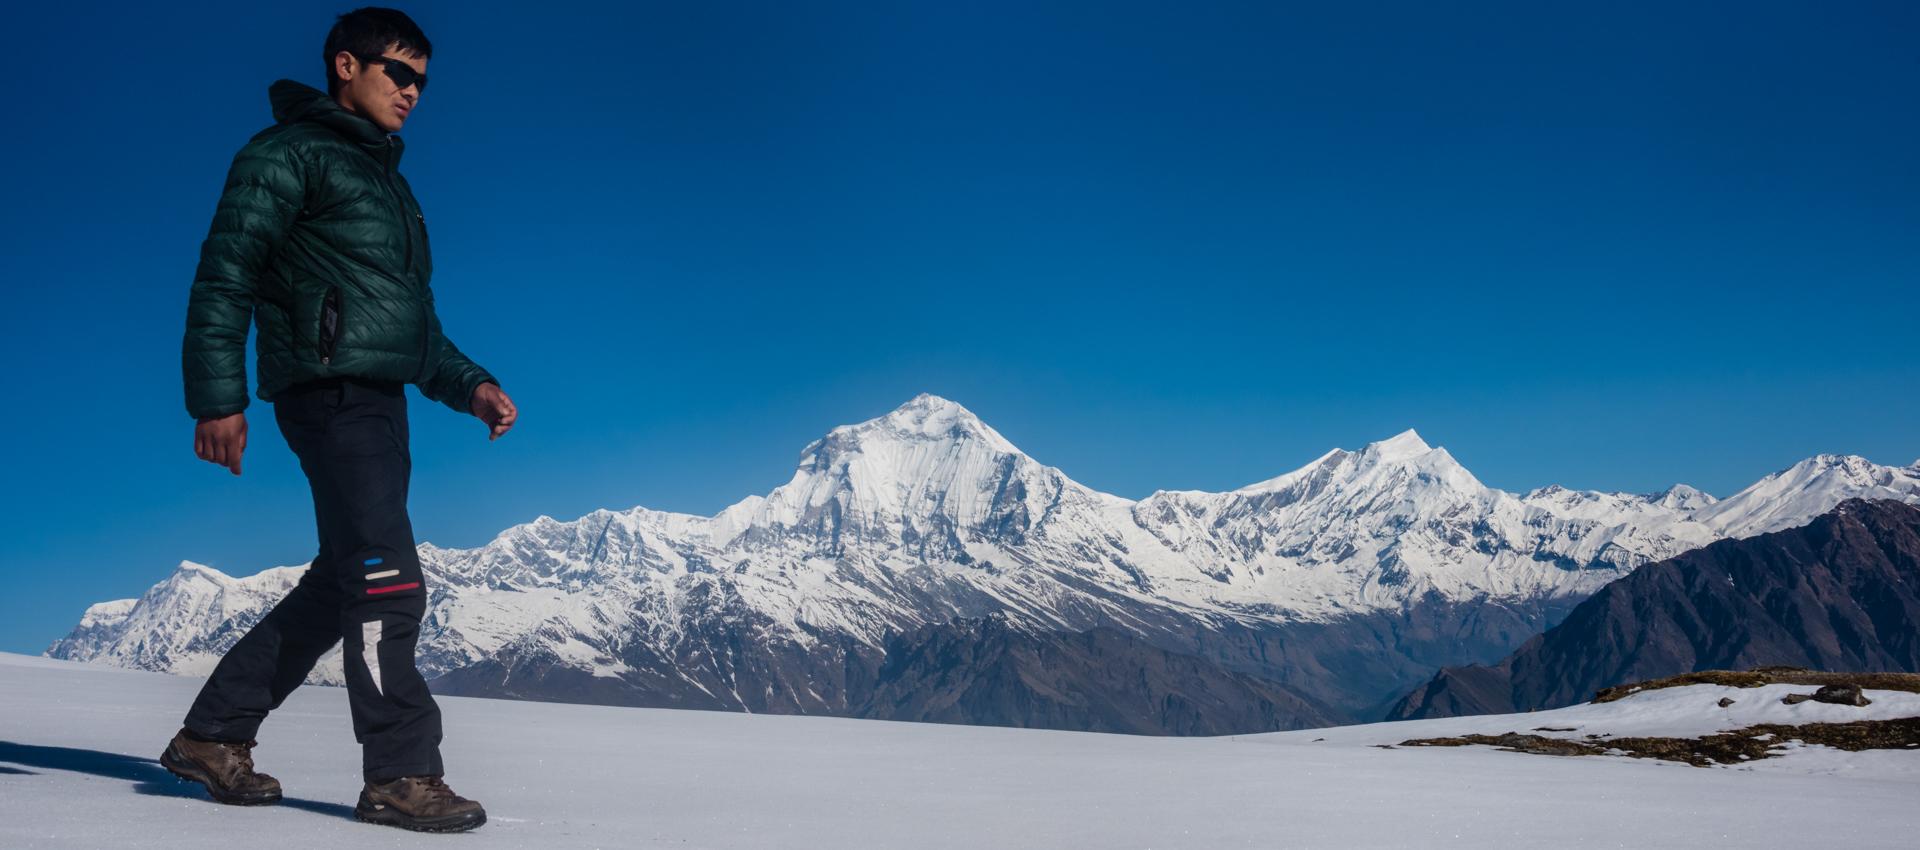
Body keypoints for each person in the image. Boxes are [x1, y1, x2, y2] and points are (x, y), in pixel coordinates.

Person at [162, 7, 515, 834]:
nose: (413, 92)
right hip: (327, 396)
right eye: (399, 72)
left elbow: (406, 325)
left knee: (347, 578)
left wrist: (472, 386)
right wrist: (218, 397)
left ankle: (211, 736)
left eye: (423, 79)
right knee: (388, 578)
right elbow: (224, 275)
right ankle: (400, 772)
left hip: (380, 403)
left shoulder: (388, 183)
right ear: (346, 66)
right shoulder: (284, 154)